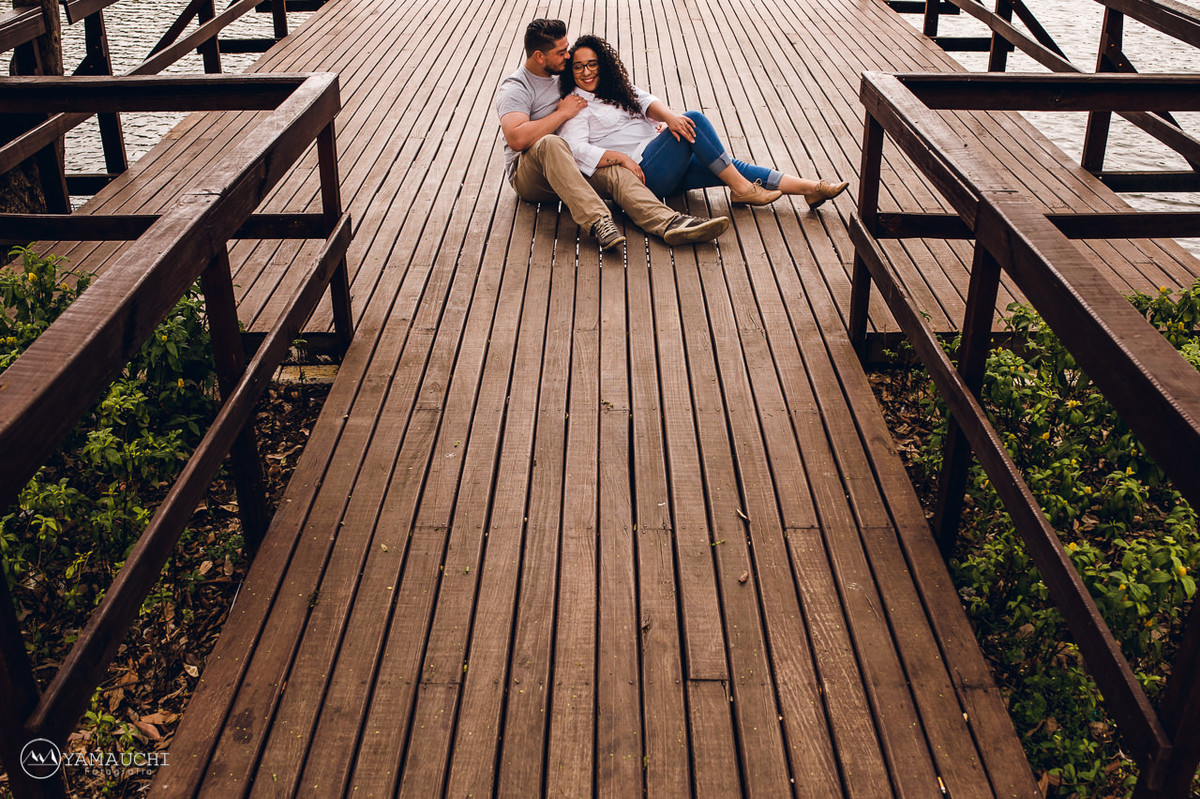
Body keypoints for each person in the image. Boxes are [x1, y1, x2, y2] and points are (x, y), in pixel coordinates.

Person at [496, 19, 730, 253]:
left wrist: (653, 122)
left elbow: (626, 94)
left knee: (617, 173)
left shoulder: (561, 72)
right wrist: (563, 114)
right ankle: (599, 221)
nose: (567, 57)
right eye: (561, 52)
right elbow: (517, 139)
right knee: (550, 143)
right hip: (531, 173)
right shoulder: (516, 87)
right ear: (539, 56)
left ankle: (670, 223)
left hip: (570, 163)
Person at [557, 35, 850, 210]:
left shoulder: (615, 88)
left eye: (592, 64)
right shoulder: (576, 103)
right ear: (572, 70)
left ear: (603, 64)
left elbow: (645, 100)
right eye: (579, 66)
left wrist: (669, 118)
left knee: (726, 166)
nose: (586, 72)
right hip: (645, 174)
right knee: (693, 120)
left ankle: (811, 189)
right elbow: (575, 149)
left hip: (662, 161)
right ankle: (741, 190)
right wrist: (618, 158)